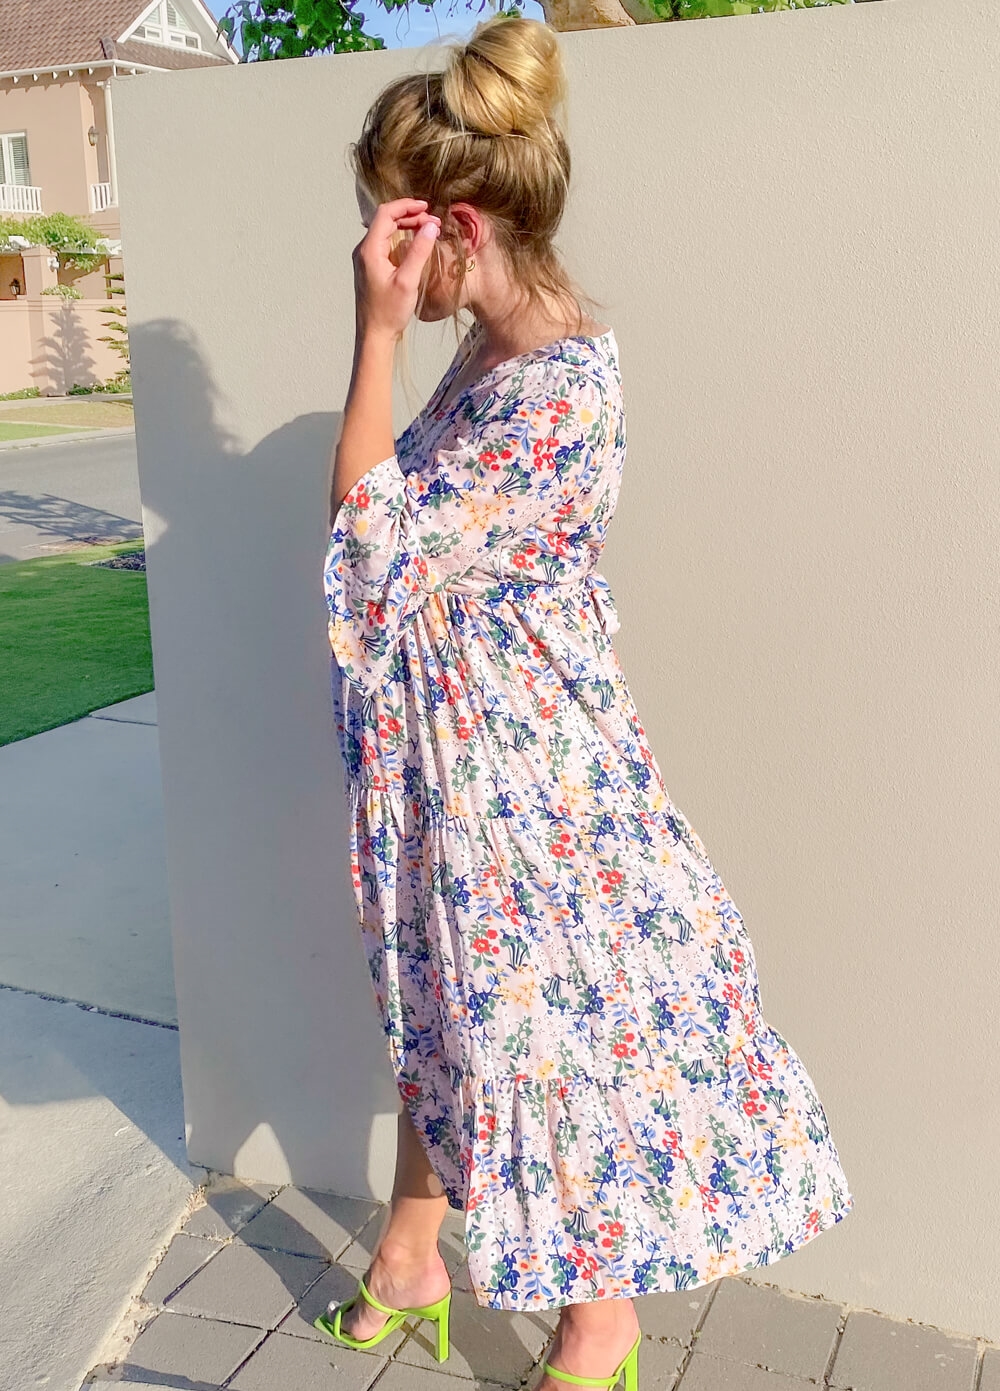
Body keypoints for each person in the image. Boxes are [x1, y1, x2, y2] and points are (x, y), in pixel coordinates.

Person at [319, 14, 854, 1389]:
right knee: (442, 1004)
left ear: (458, 227)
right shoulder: (495, 351)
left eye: (397, 230)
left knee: (544, 1033)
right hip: (459, 756)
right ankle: (411, 1259)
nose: (383, 255)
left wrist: (374, 331)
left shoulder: (554, 387)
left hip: (531, 780)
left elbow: (371, 547)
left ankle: (598, 1329)